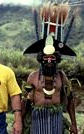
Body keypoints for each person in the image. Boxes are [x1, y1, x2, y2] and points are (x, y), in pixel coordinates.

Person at [22, 2, 77, 134]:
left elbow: (70, 101)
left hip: (56, 120)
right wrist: (18, 122)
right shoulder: (33, 76)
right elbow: (24, 102)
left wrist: (74, 124)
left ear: (57, 59)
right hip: (37, 120)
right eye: (46, 58)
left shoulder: (62, 77)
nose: (49, 62)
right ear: (41, 59)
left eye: (52, 59)